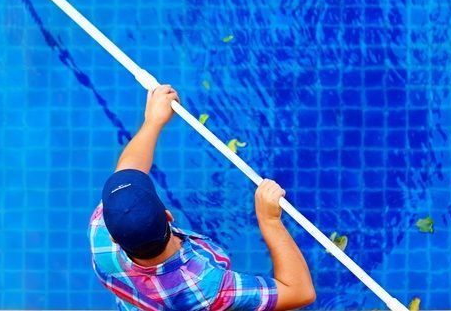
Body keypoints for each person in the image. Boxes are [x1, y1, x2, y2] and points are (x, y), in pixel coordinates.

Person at [89, 84, 317, 310]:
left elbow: (127, 172)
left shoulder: (100, 235)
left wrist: (153, 122)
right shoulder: (206, 287)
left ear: (115, 238)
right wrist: (270, 221)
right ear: (168, 216)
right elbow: (300, 292)